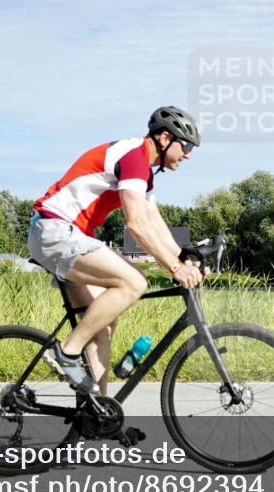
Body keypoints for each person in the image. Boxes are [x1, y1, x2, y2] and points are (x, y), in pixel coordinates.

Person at [28, 106, 205, 395]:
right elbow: (135, 223)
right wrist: (174, 268)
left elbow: (153, 220)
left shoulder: (142, 169)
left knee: (102, 326)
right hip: (55, 231)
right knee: (134, 282)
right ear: (164, 138)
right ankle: (67, 353)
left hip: (67, 236)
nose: (188, 154)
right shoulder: (134, 159)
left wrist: (183, 258)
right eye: (185, 146)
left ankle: (97, 411)